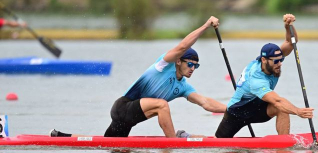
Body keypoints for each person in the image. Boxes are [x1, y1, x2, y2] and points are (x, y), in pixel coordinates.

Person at [51, 16, 226, 138]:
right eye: (190, 64)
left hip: (130, 120)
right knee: (162, 105)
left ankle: (59, 136)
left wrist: (232, 109)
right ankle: (173, 143)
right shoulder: (163, 65)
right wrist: (205, 26)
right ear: (179, 61)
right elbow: (181, 47)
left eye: (196, 65)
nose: (193, 68)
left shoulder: (184, 87)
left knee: (105, 144)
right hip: (123, 107)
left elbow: (205, 103)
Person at [215, 14, 314, 138]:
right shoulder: (256, 79)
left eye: (281, 60)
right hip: (236, 113)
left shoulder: (273, 59)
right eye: (276, 61)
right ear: (264, 60)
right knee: (219, 145)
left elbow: (290, 42)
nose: (280, 64)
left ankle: (283, 146)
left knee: (282, 109)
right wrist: (298, 111)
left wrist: (288, 26)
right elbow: (277, 101)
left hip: (257, 108)